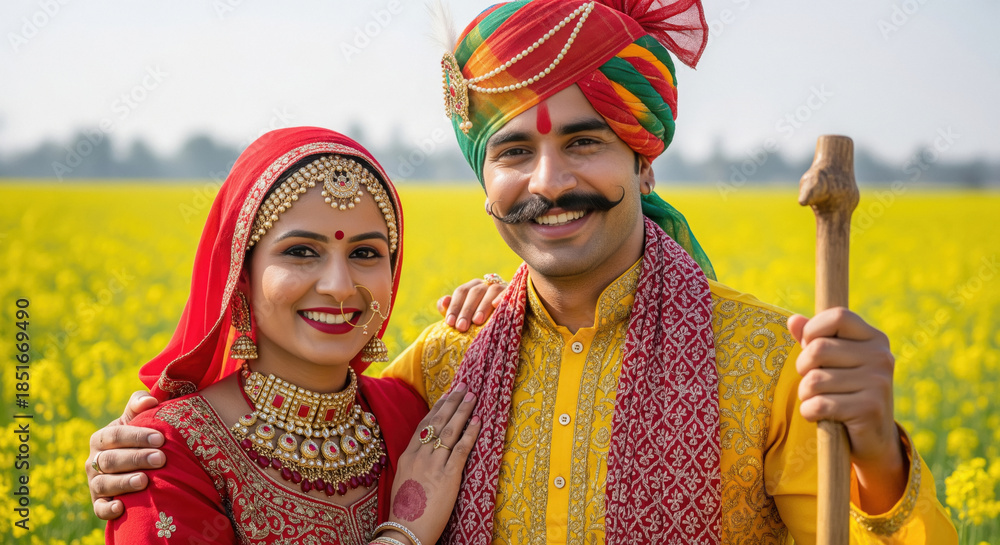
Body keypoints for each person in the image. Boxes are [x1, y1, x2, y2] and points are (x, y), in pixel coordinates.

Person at [90, 0, 958, 543]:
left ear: (645, 163)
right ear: (485, 187)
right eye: (512, 151)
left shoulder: (772, 360)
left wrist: (875, 449)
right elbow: (298, 434)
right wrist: (156, 436)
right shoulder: (441, 369)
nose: (549, 182)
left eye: (584, 142)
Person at [101, 126, 481, 544]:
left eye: (365, 253)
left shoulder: (413, 416)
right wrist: (407, 534)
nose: (338, 285)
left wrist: (508, 303)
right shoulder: (167, 453)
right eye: (301, 251)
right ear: (240, 277)